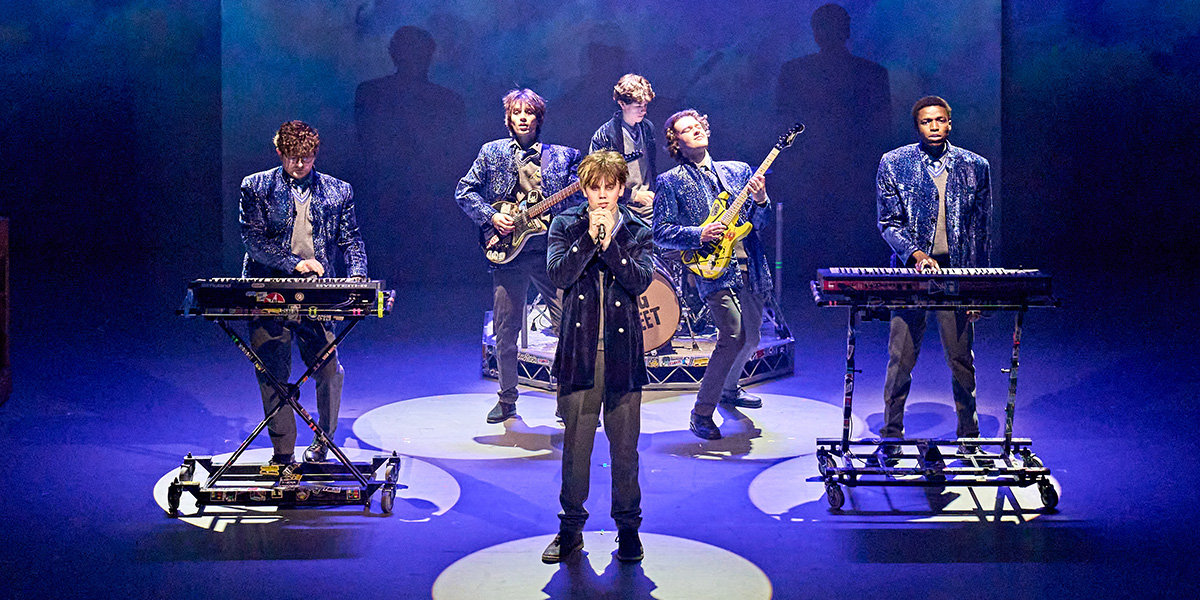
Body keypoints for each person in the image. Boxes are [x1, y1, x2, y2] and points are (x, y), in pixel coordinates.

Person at [540, 150, 654, 564]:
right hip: (579, 353)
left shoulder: (638, 229)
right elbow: (558, 275)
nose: (603, 196)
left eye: (610, 187)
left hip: (623, 356)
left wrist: (612, 242)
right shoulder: (565, 225)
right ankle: (570, 531)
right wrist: (590, 238)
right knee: (576, 449)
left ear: (621, 188)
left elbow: (640, 280)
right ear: (584, 189)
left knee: (625, 451)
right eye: (595, 188)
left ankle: (628, 531)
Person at [239, 120, 368, 465]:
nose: (300, 165)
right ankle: (283, 452)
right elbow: (254, 241)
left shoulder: (338, 190)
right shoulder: (256, 187)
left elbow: (351, 240)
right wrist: (294, 262)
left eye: (307, 158)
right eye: (294, 157)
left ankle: (324, 440)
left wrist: (357, 279)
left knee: (327, 369)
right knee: (271, 372)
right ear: (280, 152)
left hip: (317, 295)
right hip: (271, 291)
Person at [455, 89, 583, 424]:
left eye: (529, 112)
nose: (523, 117)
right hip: (508, 253)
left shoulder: (565, 156)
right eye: (517, 112)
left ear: (539, 118)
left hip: (552, 254)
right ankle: (507, 399)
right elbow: (464, 190)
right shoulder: (492, 152)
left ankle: (566, 401)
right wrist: (490, 216)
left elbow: (576, 203)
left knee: (568, 328)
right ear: (508, 118)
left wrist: (577, 191)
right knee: (506, 331)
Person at [875, 96, 992, 459]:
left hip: (957, 277)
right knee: (900, 359)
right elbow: (888, 223)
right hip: (911, 278)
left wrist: (977, 290)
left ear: (950, 123)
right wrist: (917, 254)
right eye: (927, 121)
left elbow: (981, 231)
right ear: (918, 126)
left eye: (940, 120)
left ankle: (969, 437)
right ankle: (891, 437)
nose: (935, 126)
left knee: (961, 359)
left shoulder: (974, 166)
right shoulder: (895, 163)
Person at [652, 110, 773, 440]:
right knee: (731, 335)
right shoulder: (671, 181)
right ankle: (702, 412)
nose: (695, 132)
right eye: (686, 130)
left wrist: (761, 200)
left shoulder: (737, 171)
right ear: (676, 142)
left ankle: (729, 391)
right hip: (713, 270)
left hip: (751, 265)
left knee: (752, 338)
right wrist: (698, 234)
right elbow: (659, 232)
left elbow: (760, 224)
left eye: (698, 126)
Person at [588, 74, 658, 221]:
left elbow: (651, 168)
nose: (643, 111)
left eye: (645, 105)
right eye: (638, 106)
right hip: (620, 208)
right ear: (622, 104)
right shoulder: (605, 135)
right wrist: (634, 195)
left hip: (649, 206)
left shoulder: (647, 128)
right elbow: (597, 178)